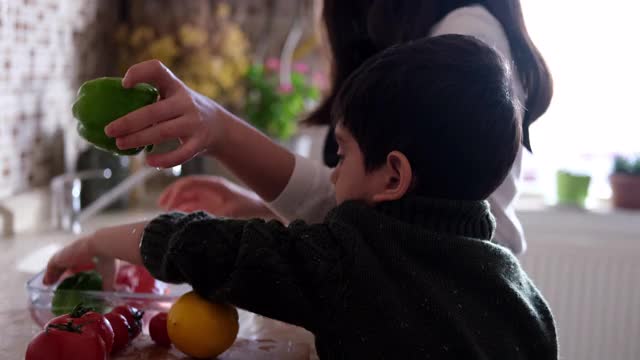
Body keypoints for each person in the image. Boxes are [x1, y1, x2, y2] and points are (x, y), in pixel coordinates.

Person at [46, 35, 557, 359]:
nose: (333, 174)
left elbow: (206, 246)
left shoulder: (349, 261)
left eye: (342, 152)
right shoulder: (523, 295)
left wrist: (96, 241)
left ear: (394, 177)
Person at [145, 0, 553, 255]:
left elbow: (448, 232)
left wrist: (223, 131)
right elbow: (377, 208)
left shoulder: (465, 37)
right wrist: (260, 206)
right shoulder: (380, 24)